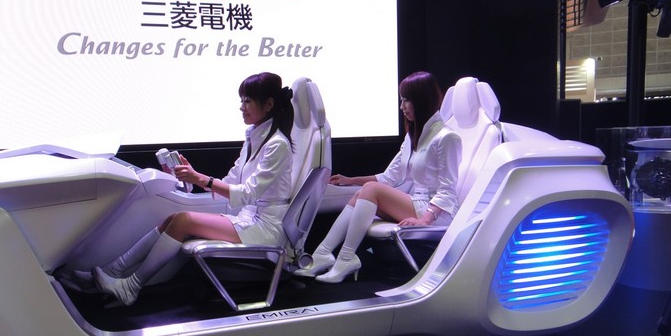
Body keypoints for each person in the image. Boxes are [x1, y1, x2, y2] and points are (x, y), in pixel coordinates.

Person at [92, 72, 295, 306]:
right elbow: (230, 181)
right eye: (242, 101)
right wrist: (195, 176)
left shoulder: (277, 145)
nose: (242, 107)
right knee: (171, 219)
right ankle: (115, 270)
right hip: (248, 219)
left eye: (247, 101)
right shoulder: (254, 138)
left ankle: (130, 287)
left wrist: (200, 179)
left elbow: (248, 194)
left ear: (268, 104)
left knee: (182, 221)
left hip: (265, 229)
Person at [295, 71, 461, 283]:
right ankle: (323, 253)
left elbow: (448, 189)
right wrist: (351, 180)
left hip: (436, 213)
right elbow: (389, 177)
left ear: (422, 100)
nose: (402, 107)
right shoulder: (414, 136)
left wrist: (425, 220)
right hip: (418, 203)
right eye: (401, 100)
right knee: (360, 193)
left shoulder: (447, 137)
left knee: (370, 191)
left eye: (407, 100)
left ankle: (346, 257)